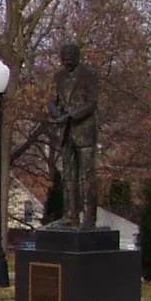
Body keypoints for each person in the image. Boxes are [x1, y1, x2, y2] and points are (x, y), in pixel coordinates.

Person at [48, 42, 99, 229]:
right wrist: (57, 114)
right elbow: (53, 102)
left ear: (77, 56)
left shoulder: (89, 75)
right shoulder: (58, 77)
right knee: (69, 176)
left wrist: (72, 115)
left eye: (70, 55)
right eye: (64, 56)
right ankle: (70, 216)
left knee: (87, 176)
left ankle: (88, 218)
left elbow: (93, 103)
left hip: (84, 131)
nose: (67, 59)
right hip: (66, 132)